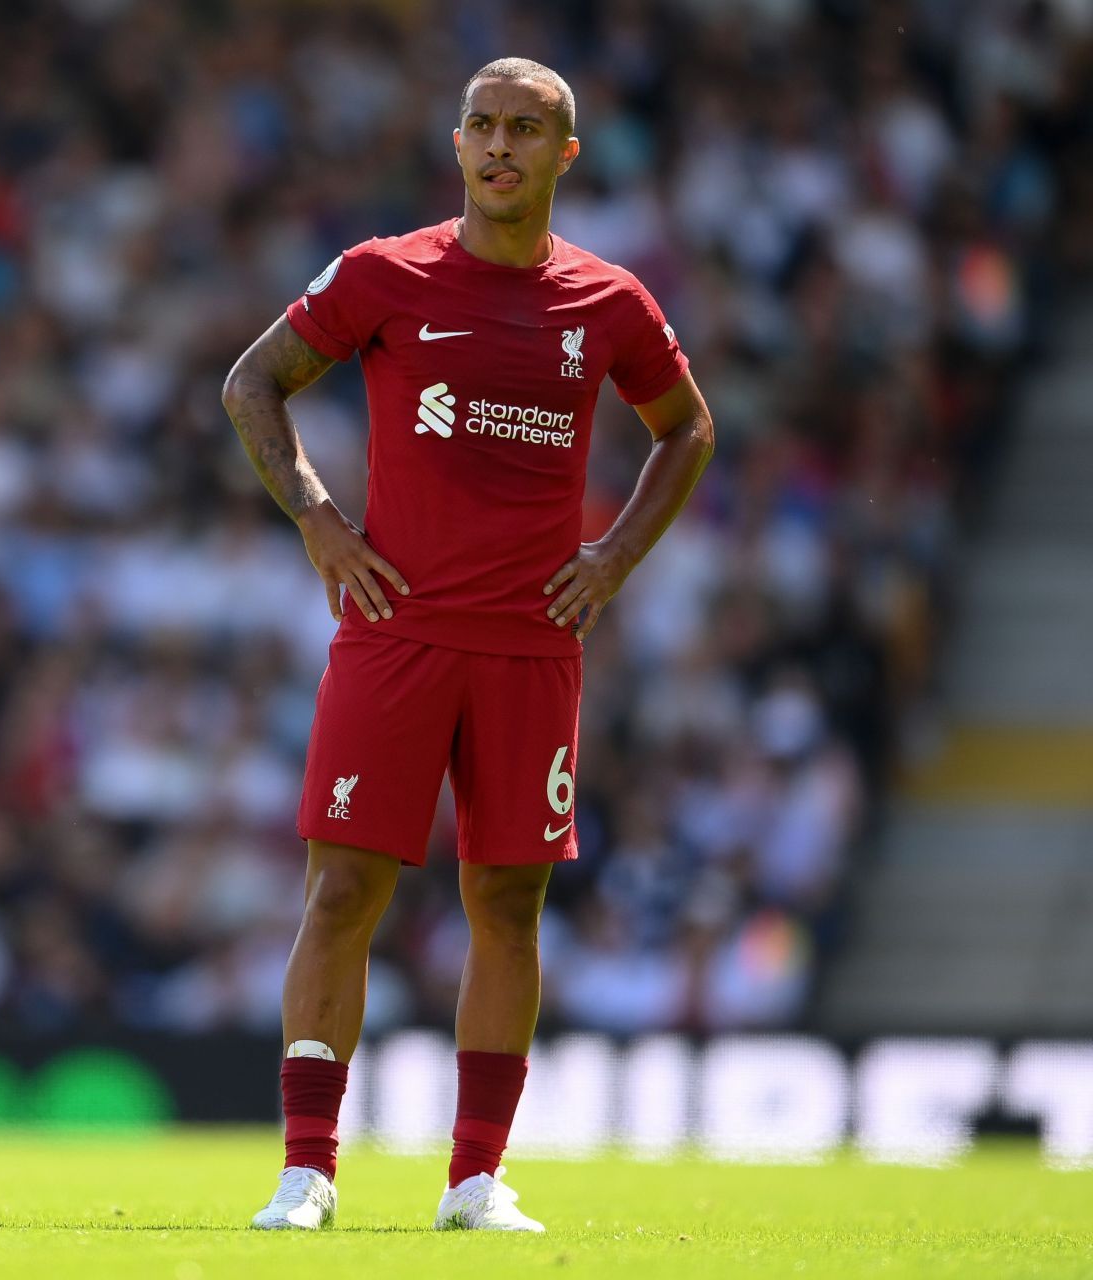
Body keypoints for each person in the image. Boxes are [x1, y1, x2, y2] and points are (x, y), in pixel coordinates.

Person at [222, 58, 715, 1231]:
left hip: (531, 646)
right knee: (342, 890)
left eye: (526, 131)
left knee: (508, 898)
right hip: (393, 631)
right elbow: (253, 385)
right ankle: (308, 1169)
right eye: (483, 127)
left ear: (564, 156)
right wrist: (321, 521)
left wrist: (613, 558)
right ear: (457, 145)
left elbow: (686, 427)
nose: (501, 148)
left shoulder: (610, 302)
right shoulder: (386, 272)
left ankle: (476, 1177)